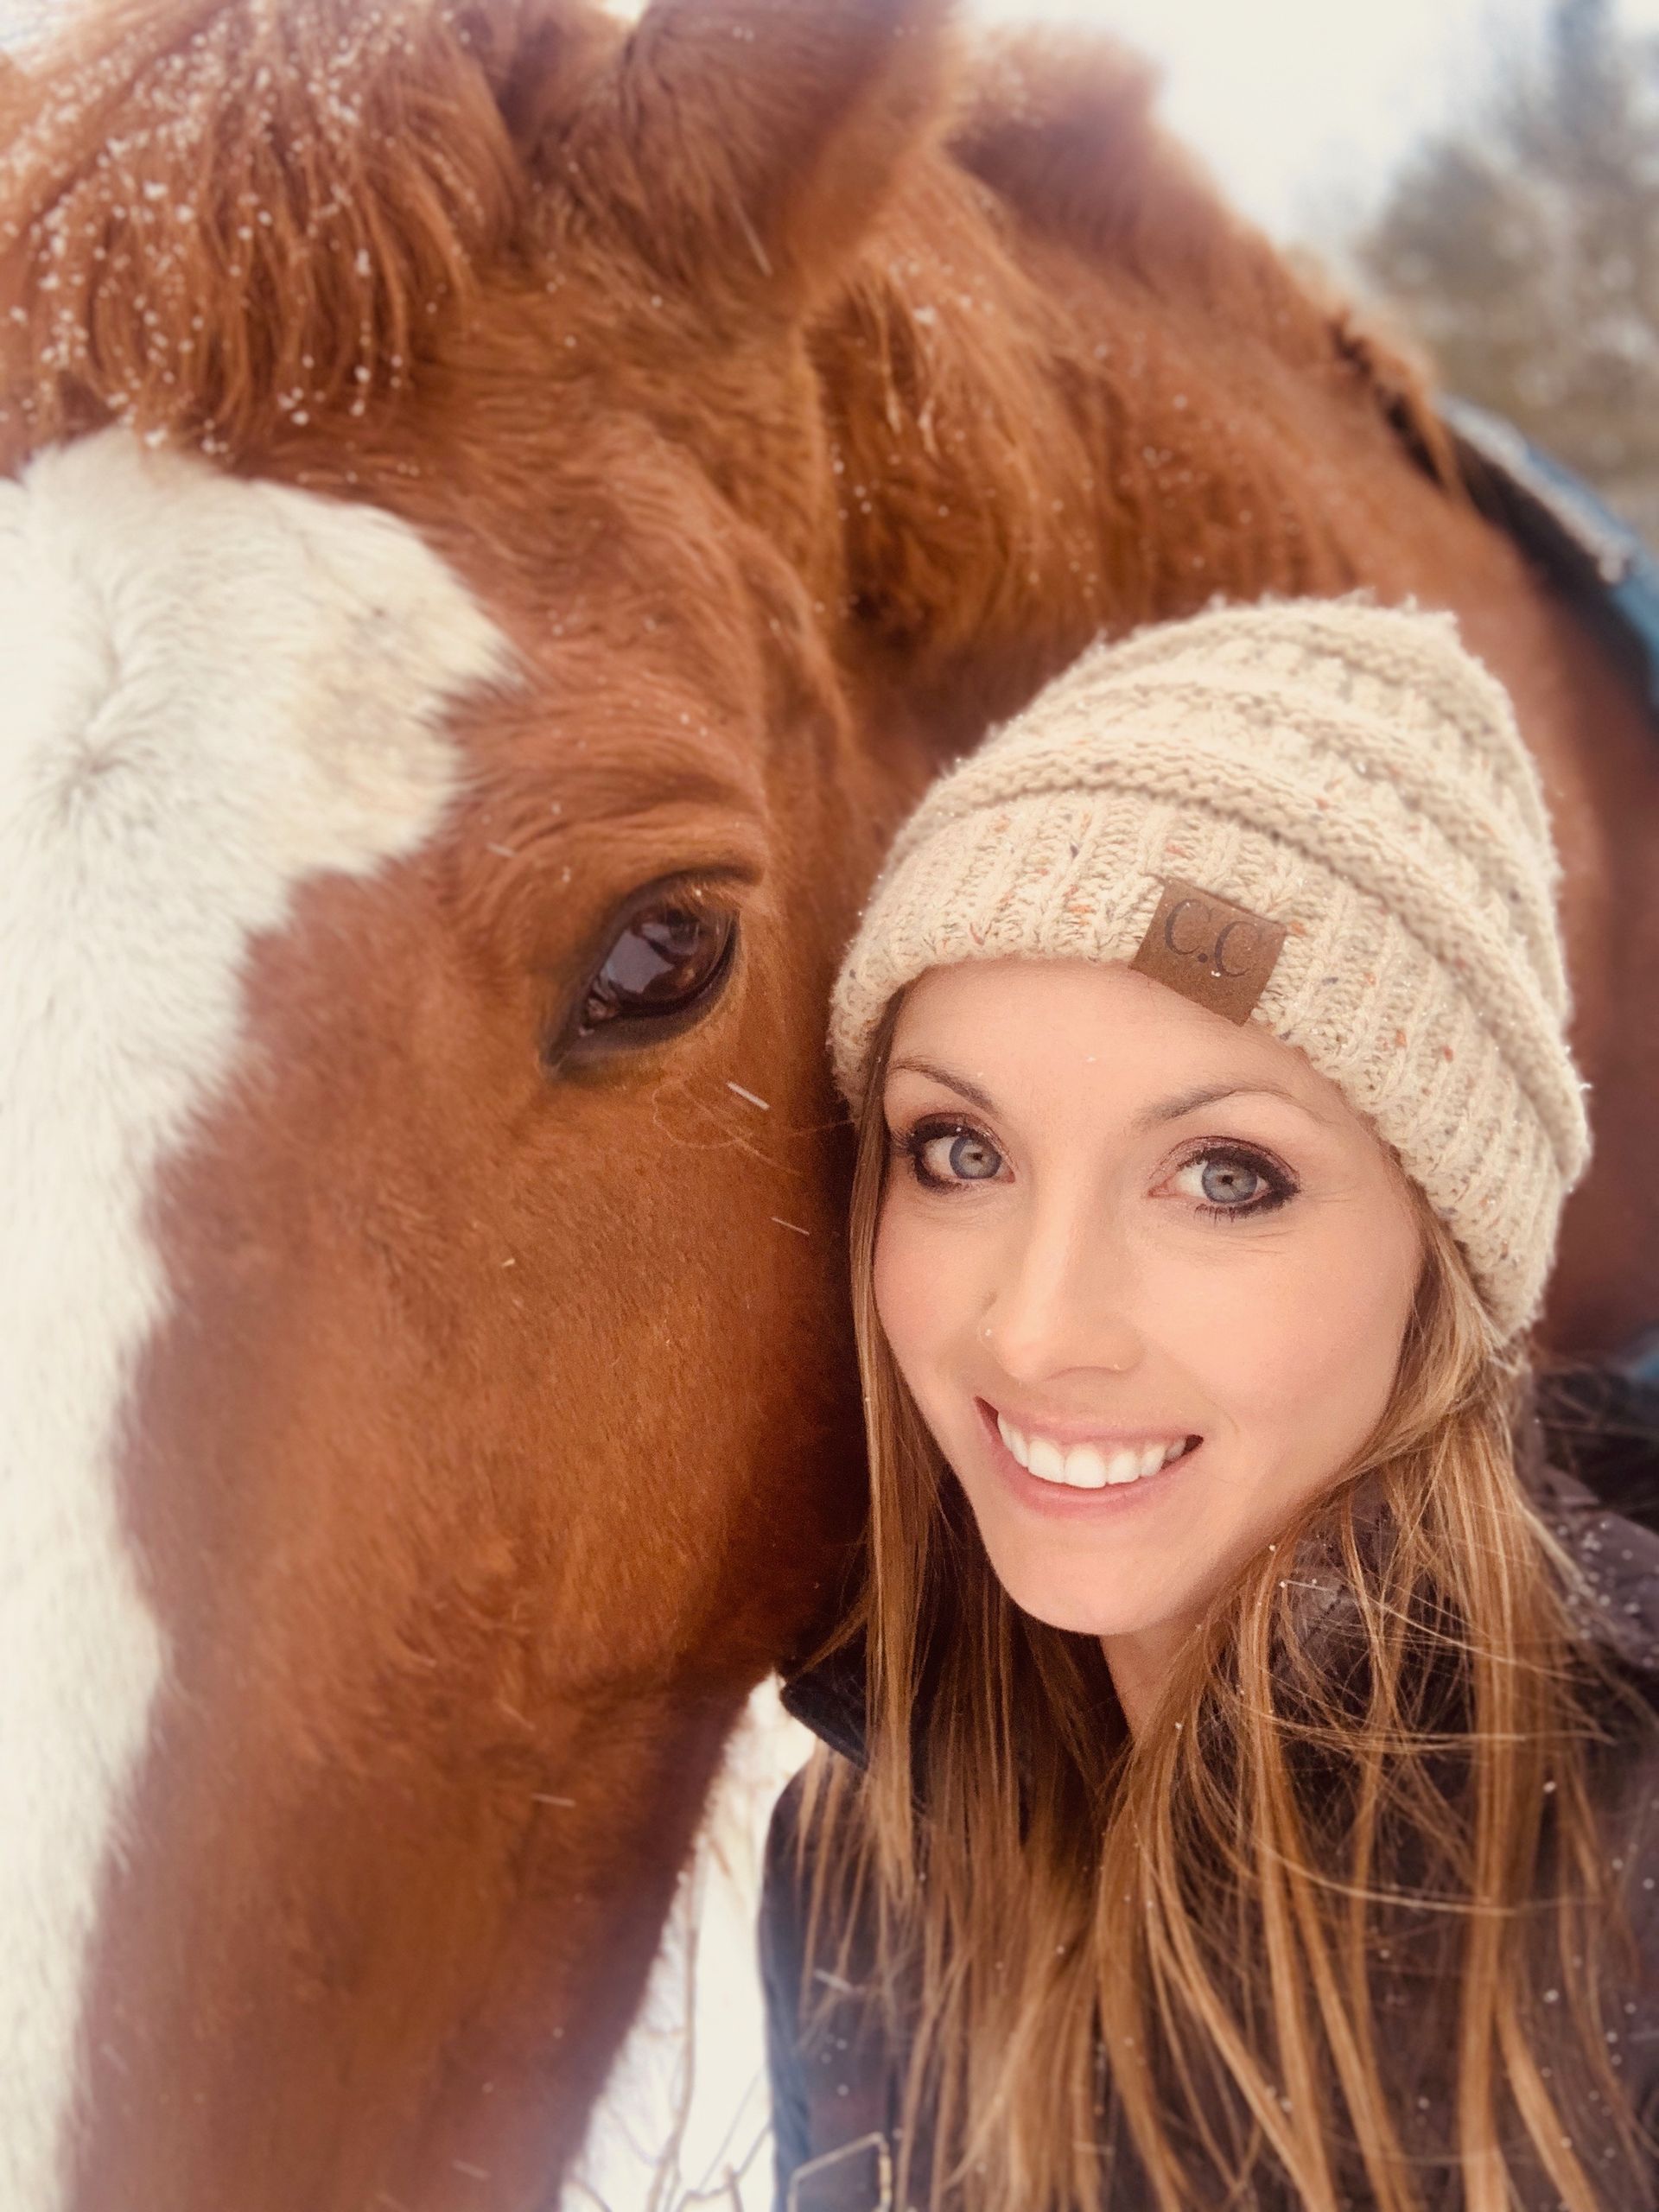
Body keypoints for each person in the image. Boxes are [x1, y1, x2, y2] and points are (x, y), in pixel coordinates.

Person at [758, 598, 1659, 2212]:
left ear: (1439, 1254)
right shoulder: (857, 1860)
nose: (1035, 1333)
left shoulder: (1630, 1860)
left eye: (1224, 1177)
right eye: (961, 1151)